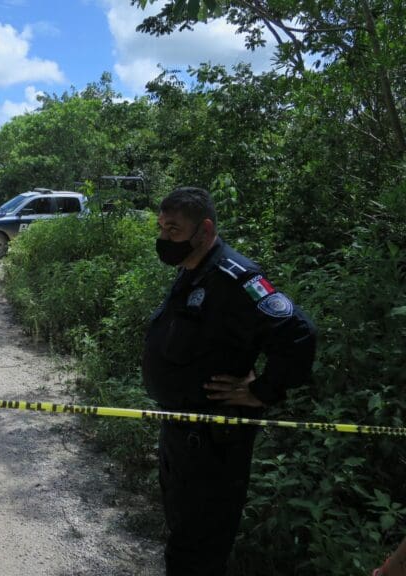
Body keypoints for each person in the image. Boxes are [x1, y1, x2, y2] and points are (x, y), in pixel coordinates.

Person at [141, 186, 316, 576]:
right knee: (183, 530)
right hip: (180, 430)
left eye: (173, 230)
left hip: (213, 441)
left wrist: (262, 390)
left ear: (203, 229)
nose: (164, 239)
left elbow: (299, 335)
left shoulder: (236, 278)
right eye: (161, 228)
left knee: (200, 544)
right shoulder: (192, 270)